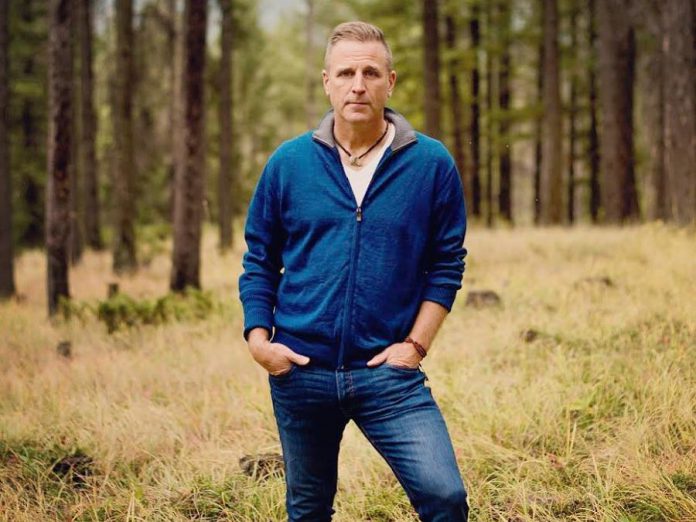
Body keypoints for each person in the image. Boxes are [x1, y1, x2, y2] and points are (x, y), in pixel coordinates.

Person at [239, 20, 469, 522]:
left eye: (371, 72)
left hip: (387, 374)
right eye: (346, 73)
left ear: (391, 81)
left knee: (445, 497)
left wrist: (416, 346)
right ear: (327, 82)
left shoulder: (430, 164)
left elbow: (447, 263)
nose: (358, 85)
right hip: (301, 371)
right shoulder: (289, 163)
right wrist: (259, 342)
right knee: (308, 509)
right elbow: (259, 258)